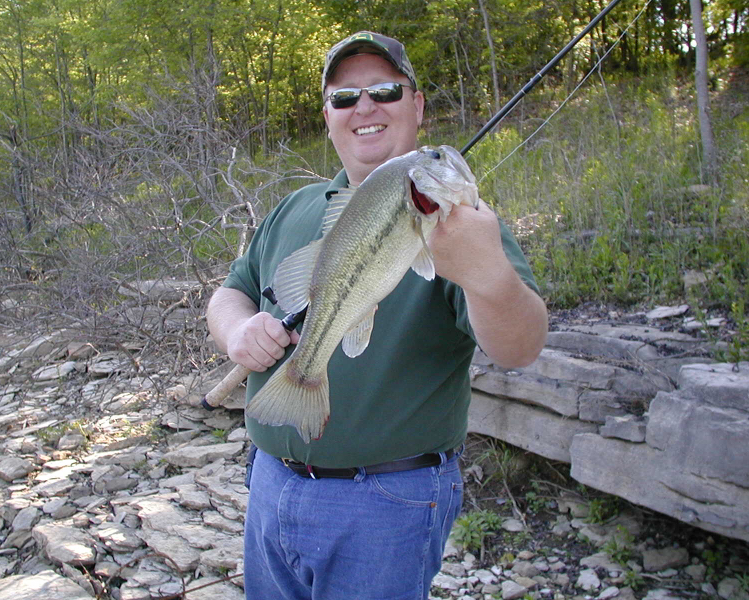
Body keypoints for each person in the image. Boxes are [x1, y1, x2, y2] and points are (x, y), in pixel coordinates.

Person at [206, 30, 548, 600]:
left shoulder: (460, 224)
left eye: (385, 91)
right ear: (328, 117)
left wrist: (487, 274)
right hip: (268, 483)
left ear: (417, 106)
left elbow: (521, 348)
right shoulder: (295, 208)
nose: (364, 107)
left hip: (387, 503)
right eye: (345, 97)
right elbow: (230, 292)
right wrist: (238, 329)